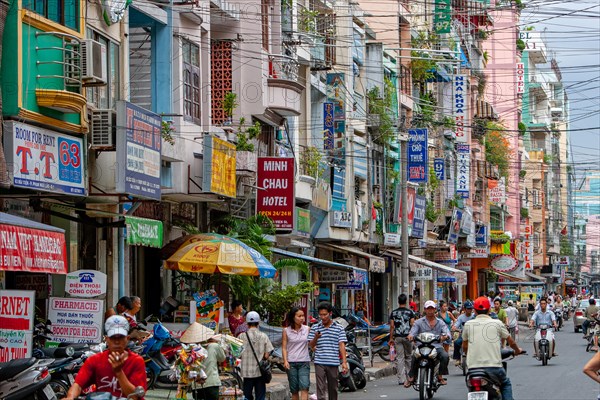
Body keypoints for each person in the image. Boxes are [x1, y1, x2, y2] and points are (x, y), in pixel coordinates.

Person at [63, 316, 147, 399]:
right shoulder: (95, 360)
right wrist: (70, 397)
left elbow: (136, 396)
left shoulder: (136, 361)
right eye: (113, 337)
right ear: (107, 339)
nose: (117, 341)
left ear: (127, 338)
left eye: (120, 337)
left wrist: (119, 372)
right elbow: (78, 384)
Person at [462, 297, 524, 400]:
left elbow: (464, 346)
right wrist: (517, 351)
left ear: (475, 310)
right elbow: (511, 342)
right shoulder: (497, 323)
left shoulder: (468, 325)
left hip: (473, 369)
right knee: (505, 383)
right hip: (494, 368)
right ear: (489, 310)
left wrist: (469, 355)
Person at [308, 302, 348, 400]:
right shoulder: (315, 327)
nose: (323, 317)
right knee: (320, 388)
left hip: (333, 362)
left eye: (325, 314)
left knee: (333, 388)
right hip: (319, 362)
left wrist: (344, 362)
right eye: (321, 315)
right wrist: (316, 337)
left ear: (330, 313)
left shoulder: (338, 328)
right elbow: (311, 345)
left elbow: (341, 345)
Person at [406, 300, 450, 387]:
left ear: (435, 310)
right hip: (421, 346)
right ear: (425, 310)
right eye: (428, 309)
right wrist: (410, 336)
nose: (430, 311)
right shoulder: (418, 322)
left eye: (432, 309)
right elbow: (412, 332)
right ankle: (412, 377)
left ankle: (440, 375)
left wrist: (445, 336)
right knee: (414, 356)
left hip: (436, 347)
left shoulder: (440, 322)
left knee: (445, 356)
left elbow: (447, 332)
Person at [240, 311, 273, 400]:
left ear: (247, 323)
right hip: (260, 372)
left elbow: (238, 354)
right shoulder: (264, 336)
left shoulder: (241, 336)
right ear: (258, 323)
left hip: (246, 373)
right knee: (260, 396)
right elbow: (266, 355)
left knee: (246, 396)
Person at [282, 307, 310, 400]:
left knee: (304, 387)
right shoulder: (286, 331)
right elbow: (284, 347)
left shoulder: (307, 329)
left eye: (303, 316)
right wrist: (285, 361)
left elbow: (312, 344)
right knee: (294, 390)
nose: (302, 318)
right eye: (299, 316)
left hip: (304, 362)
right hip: (291, 363)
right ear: (293, 317)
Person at [388, 294, 416, 386]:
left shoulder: (393, 313)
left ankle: (401, 379)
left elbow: (392, 326)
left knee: (399, 358)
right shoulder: (410, 312)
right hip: (408, 337)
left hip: (398, 337)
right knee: (408, 357)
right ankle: (409, 377)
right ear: (406, 301)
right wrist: (412, 336)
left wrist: (391, 338)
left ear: (398, 301)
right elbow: (412, 324)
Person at [451, 300, 475, 365]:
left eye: (471, 308)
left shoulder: (474, 316)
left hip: (474, 336)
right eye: (468, 308)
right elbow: (456, 325)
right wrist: (454, 328)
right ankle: (457, 359)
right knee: (456, 342)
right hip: (463, 336)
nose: (470, 310)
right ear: (464, 309)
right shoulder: (461, 317)